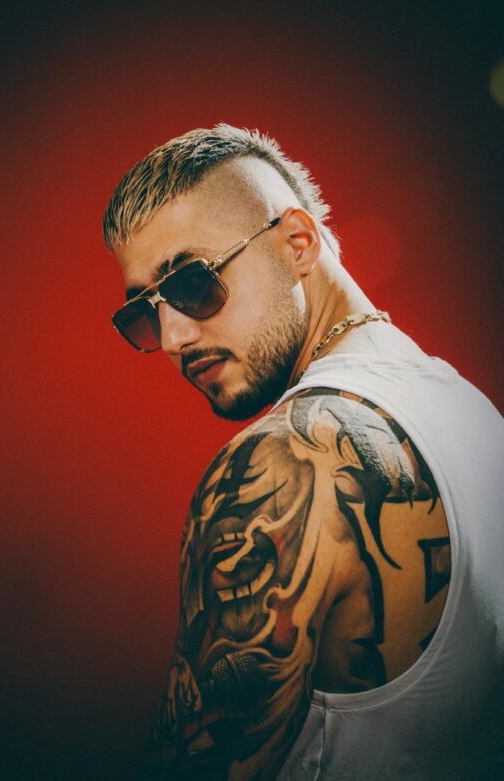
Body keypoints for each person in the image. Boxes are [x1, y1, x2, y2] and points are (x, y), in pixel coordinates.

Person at [102, 125, 504, 780]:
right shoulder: (474, 414)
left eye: (191, 282)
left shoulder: (281, 463)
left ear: (297, 242)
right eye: (143, 313)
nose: (172, 337)